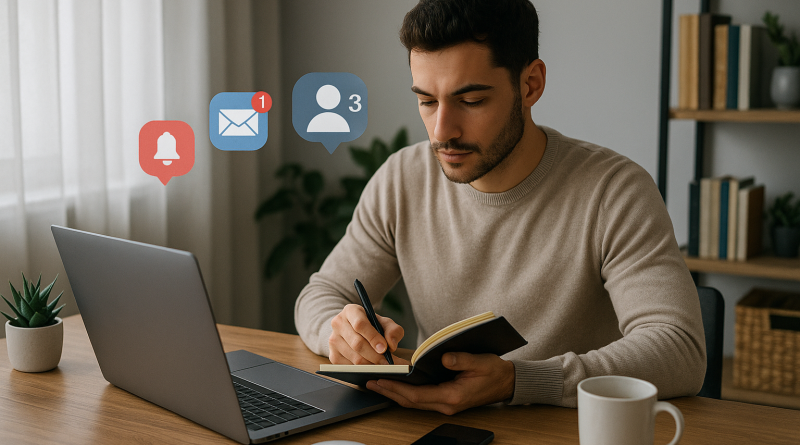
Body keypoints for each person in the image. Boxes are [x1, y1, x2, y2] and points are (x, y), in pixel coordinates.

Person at [294, 0, 706, 414]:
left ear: (530, 84)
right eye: (427, 101)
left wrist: (519, 381)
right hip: (435, 429)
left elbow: (679, 348)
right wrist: (344, 333)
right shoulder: (402, 178)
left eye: (470, 100)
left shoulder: (614, 191)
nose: (443, 132)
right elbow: (322, 294)